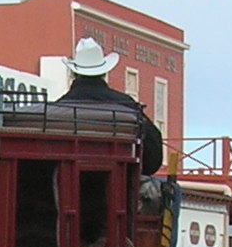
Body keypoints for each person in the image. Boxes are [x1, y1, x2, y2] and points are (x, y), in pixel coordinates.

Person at [55, 37, 165, 175]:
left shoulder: (56, 110)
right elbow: (153, 157)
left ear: (74, 74)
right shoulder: (128, 106)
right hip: (121, 186)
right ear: (104, 73)